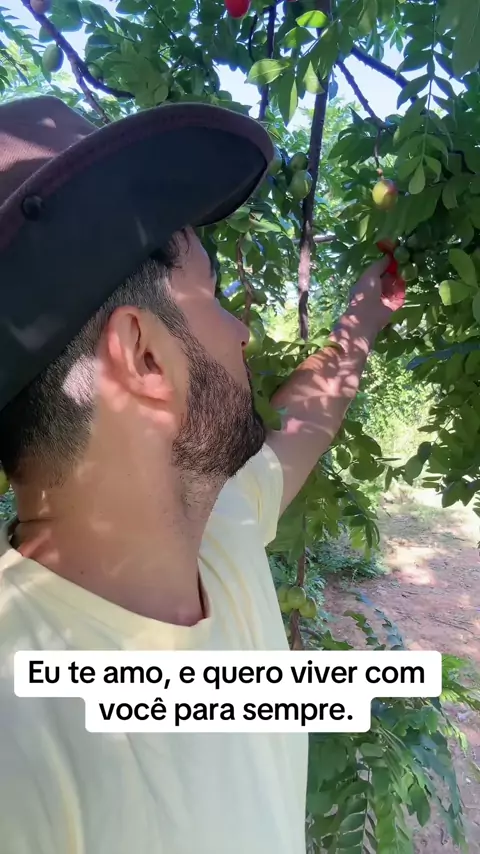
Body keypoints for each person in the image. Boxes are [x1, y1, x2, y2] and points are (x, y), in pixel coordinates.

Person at [0, 95, 405, 854]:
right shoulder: (15, 741)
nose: (242, 331)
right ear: (144, 357)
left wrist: (363, 317)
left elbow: (302, 428)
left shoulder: (216, 534)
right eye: (210, 295)